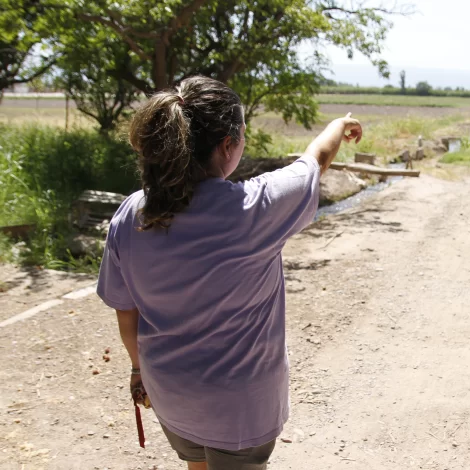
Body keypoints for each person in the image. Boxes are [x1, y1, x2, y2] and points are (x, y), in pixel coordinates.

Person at [96, 76, 362, 470]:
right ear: (227, 145)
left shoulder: (131, 213)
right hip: (239, 407)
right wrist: (339, 125)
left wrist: (138, 369)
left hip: (170, 392)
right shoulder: (255, 210)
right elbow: (315, 160)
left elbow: (126, 312)